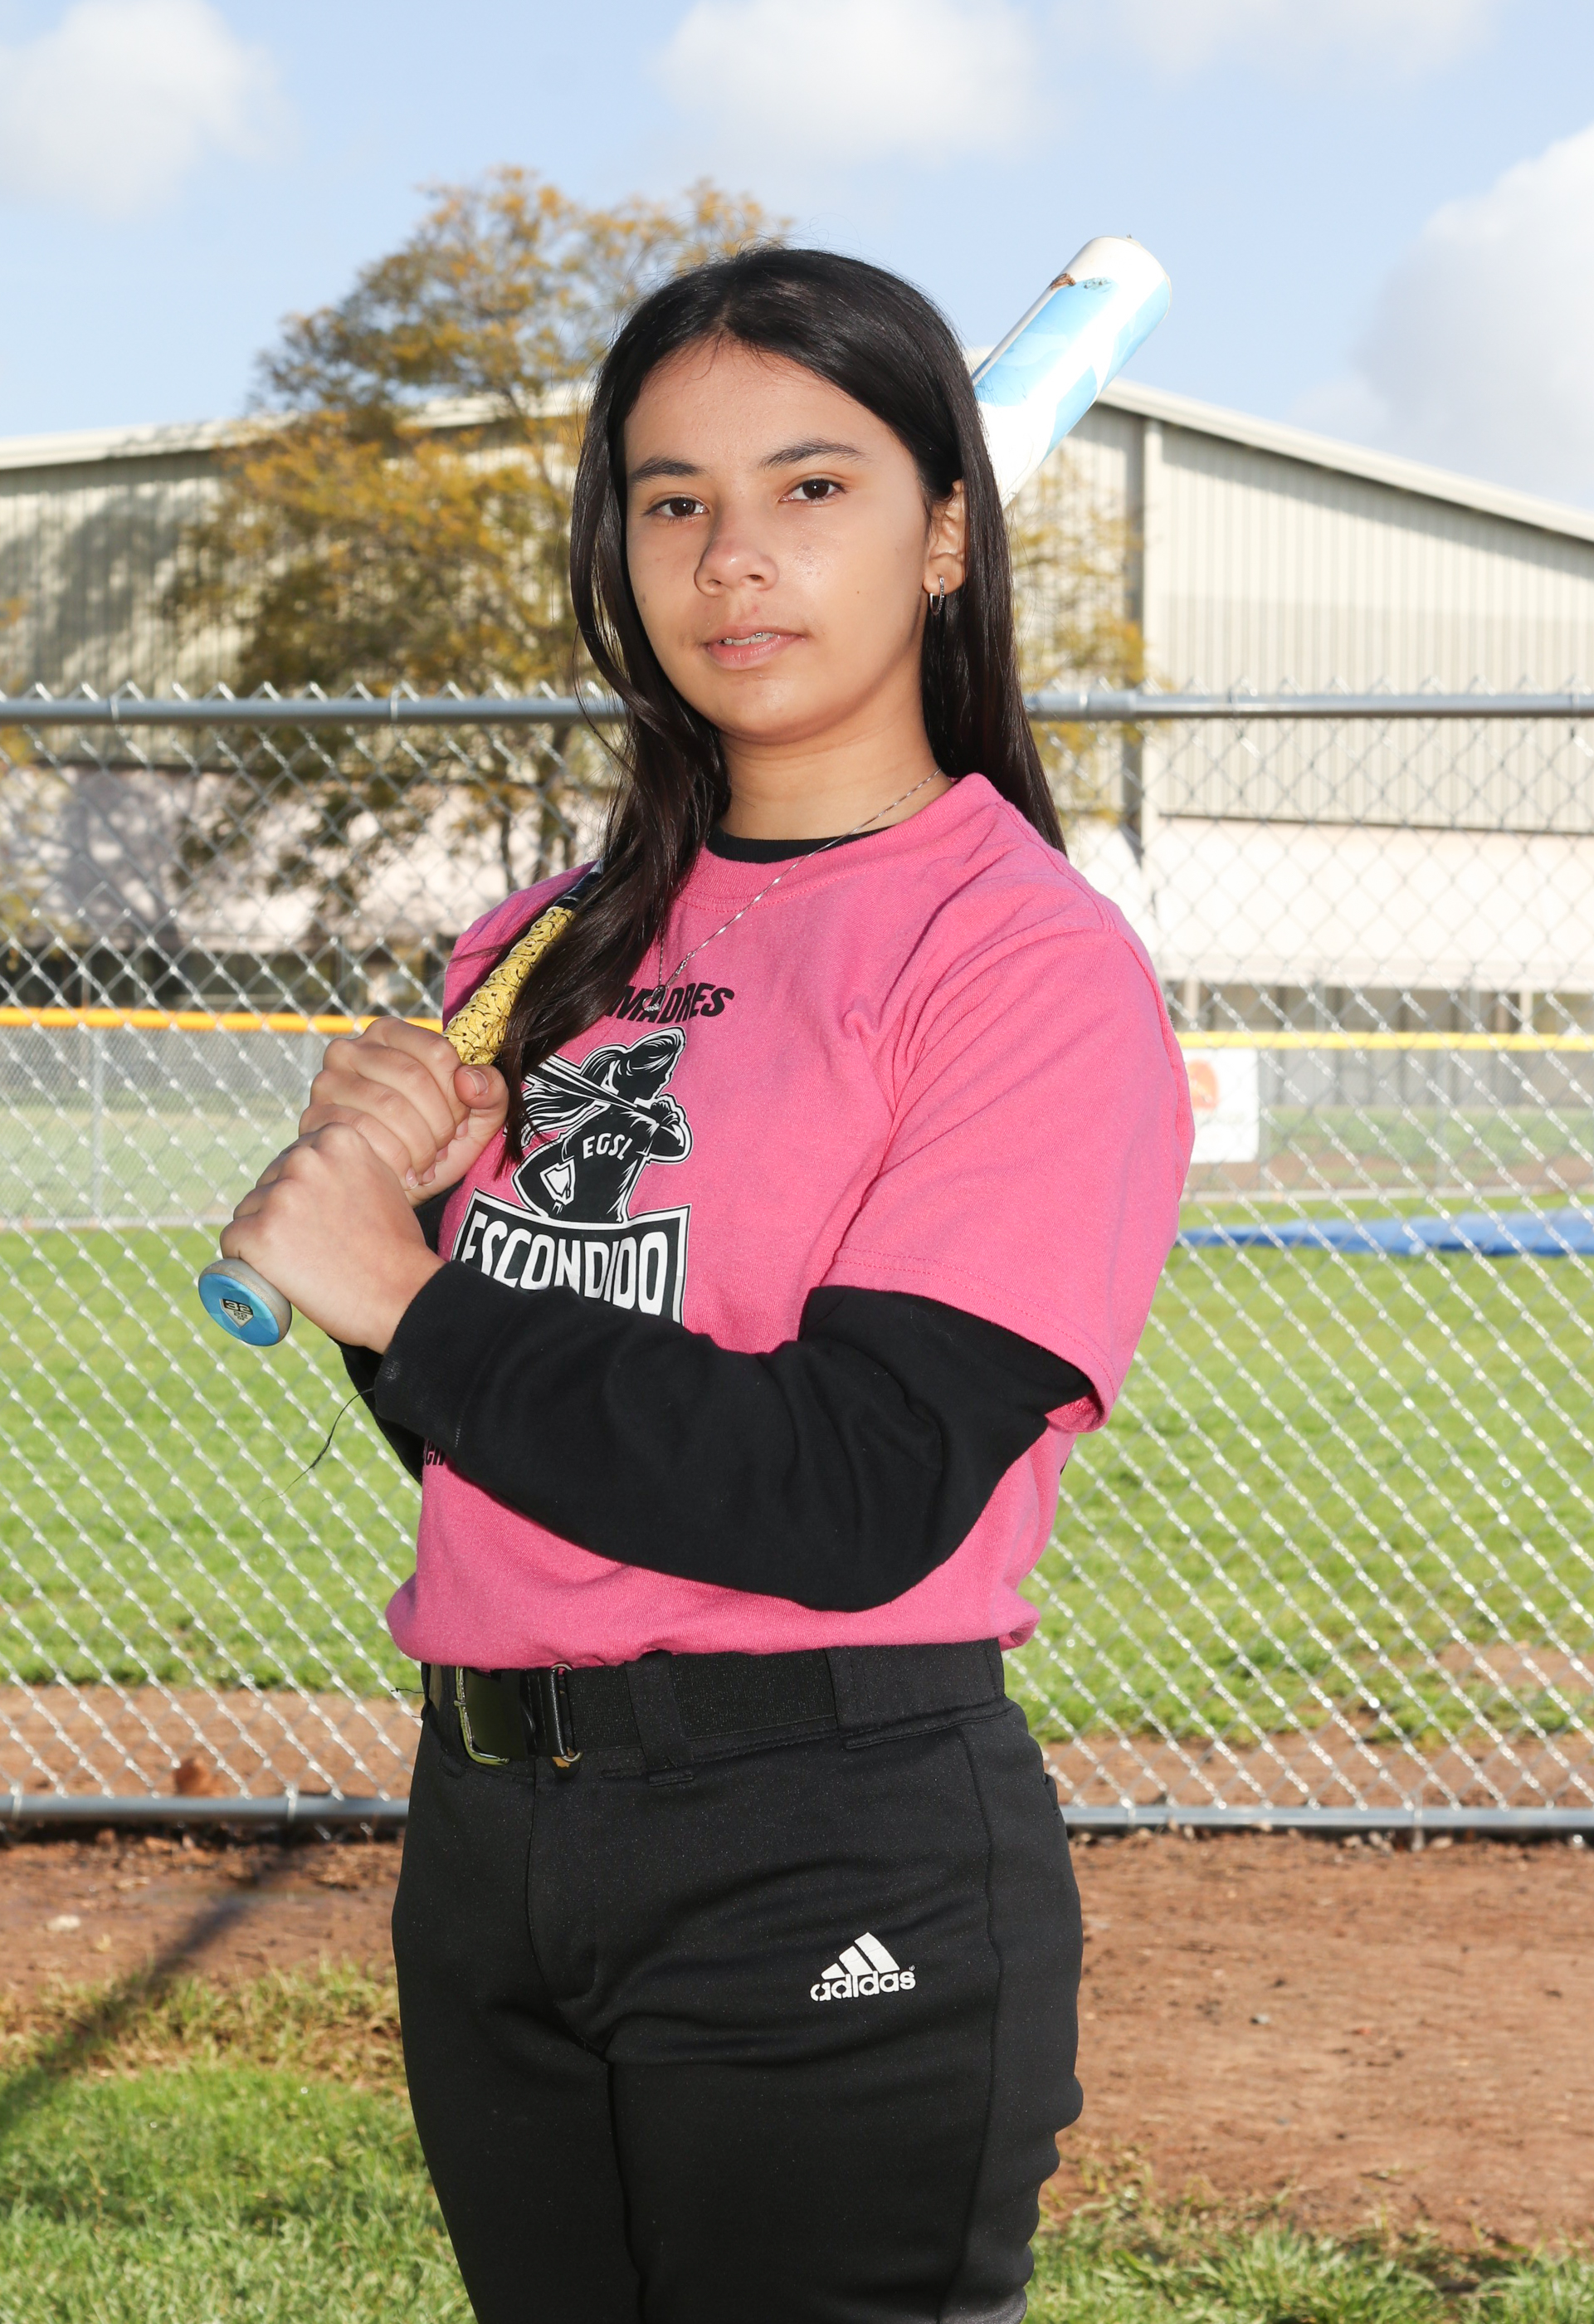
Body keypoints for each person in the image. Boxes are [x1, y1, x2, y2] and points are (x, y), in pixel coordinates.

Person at [222, 247, 1192, 2324]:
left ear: (947, 533)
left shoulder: (1019, 959)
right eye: (673, 499)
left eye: (812, 488)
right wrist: (406, 1258)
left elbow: (857, 1489)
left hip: (821, 1833)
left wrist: (412, 1299)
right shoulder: (545, 945)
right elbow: (502, 1453)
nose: (732, 557)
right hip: (492, 1827)